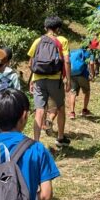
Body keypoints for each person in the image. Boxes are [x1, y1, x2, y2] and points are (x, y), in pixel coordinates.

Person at [27, 16, 71, 146]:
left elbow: (31, 63)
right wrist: (68, 79)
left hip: (38, 80)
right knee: (60, 108)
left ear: (45, 28)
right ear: (58, 28)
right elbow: (67, 61)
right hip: (55, 79)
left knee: (39, 110)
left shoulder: (38, 40)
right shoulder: (62, 40)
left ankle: (36, 142)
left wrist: (32, 80)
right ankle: (61, 138)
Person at [68, 45, 92, 119]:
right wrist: (92, 74)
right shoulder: (87, 52)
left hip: (72, 75)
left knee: (73, 93)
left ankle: (72, 113)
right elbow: (91, 63)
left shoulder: (73, 52)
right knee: (87, 92)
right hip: (83, 75)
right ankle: (84, 110)